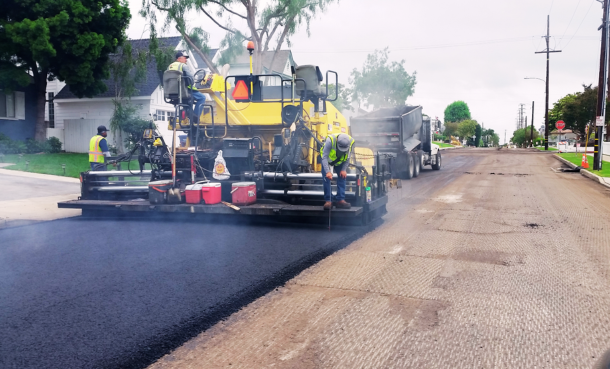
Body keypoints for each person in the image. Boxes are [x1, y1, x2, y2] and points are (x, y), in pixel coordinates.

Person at [167, 51, 206, 123]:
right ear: (179, 58)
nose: (186, 60)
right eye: (184, 58)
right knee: (202, 97)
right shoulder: (183, 66)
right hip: (183, 90)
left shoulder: (169, 67)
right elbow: (190, 78)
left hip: (172, 92)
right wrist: (193, 83)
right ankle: (196, 117)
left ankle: (190, 115)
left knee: (187, 100)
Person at [320, 133, 355, 210]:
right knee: (326, 179)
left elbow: (348, 157)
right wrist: (327, 171)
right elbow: (324, 157)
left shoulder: (351, 142)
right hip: (328, 161)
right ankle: (328, 201)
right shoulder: (330, 141)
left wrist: (343, 169)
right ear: (337, 141)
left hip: (339, 162)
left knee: (343, 176)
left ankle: (340, 200)